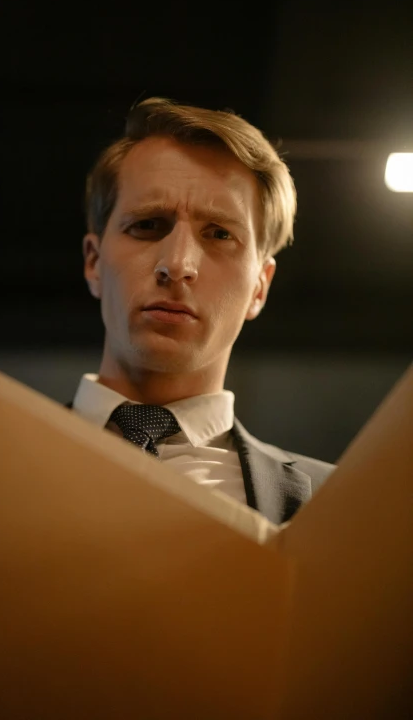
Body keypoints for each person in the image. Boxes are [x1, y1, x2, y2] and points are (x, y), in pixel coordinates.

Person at [67, 97, 335, 525]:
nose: (178, 265)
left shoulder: (339, 508)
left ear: (259, 287)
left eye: (220, 234)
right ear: (94, 263)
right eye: (148, 225)